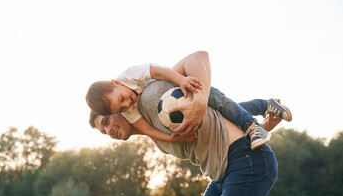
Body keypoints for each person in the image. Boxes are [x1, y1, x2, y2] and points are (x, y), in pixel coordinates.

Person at [89, 51, 290, 196]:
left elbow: (199, 57)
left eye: (106, 120)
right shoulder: (153, 128)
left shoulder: (152, 91)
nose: (108, 131)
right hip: (221, 175)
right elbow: (215, 118)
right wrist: (263, 126)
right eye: (102, 131)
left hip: (246, 161)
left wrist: (201, 99)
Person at [86, 52, 291, 149]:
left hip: (182, 88)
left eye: (106, 122)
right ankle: (265, 105)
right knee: (226, 110)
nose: (126, 104)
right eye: (103, 133)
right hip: (226, 164)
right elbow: (215, 129)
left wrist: (183, 81)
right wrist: (171, 139)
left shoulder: (132, 76)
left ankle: (252, 125)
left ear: (116, 82)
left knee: (220, 103)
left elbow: (163, 71)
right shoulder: (138, 116)